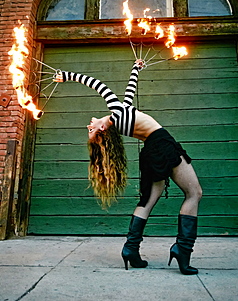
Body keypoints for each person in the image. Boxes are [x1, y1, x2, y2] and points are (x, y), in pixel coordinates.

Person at [54, 59, 202, 275]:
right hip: (162, 143)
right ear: (103, 128)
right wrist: (66, 76)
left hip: (151, 150)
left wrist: (136, 68)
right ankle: (183, 249)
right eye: (91, 130)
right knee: (194, 193)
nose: (89, 125)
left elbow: (129, 93)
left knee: (148, 201)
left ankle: (130, 249)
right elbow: (96, 83)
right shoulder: (116, 114)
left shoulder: (121, 113)